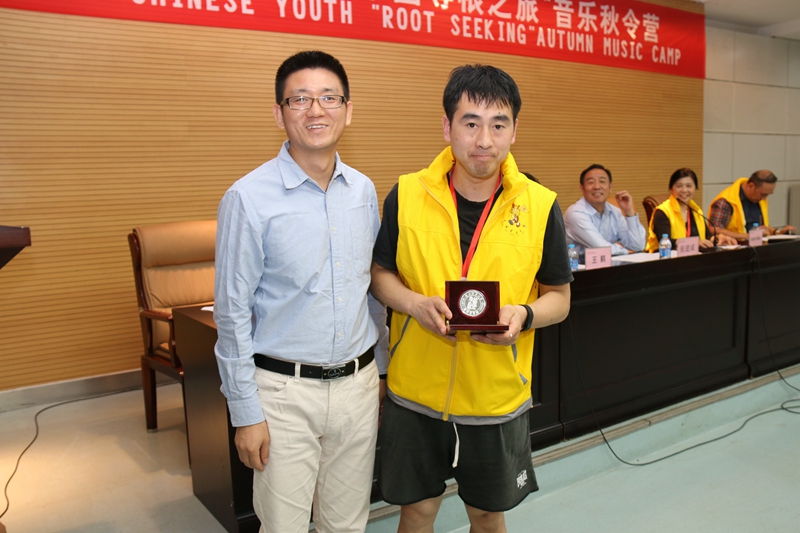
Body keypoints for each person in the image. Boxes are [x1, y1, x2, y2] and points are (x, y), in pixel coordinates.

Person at [370, 64, 573, 533]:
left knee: (486, 515)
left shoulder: (540, 205)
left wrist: (524, 315)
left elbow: (559, 298)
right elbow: (380, 276)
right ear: (447, 127)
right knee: (417, 511)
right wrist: (414, 304)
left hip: (495, 398)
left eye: (498, 125)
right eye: (471, 123)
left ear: (514, 131)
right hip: (415, 393)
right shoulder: (406, 194)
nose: (484, 140)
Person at [213, 51, 388, 533]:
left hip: (356, 387)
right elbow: (231, 314)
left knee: (347, 525)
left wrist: (379, 371)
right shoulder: (248, 198)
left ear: (348, 111)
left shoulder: (363, 191)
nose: (316, 110)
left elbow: (369, 289)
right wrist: (245, 413)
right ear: (279, 113)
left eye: (329, 97)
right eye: (300, 99)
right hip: (282, 396)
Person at [564, 163, 646, 258]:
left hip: (607, 264)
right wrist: (626, 251)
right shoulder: (575, 214)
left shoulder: (615, 212)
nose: (597, 187)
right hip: (578, 266)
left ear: (610, 187)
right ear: (582, 188)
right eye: (591, 182)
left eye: (602, 181)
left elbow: (637, 246)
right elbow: (601, 248)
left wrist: (630, 213)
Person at [646, 167, 737, 252]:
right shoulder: (662, 212)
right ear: (671, 188)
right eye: (679, 186)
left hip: (692, 258)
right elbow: (665, 242)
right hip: (665, 258)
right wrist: (693, 243)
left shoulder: (696, 210)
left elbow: (707, 236)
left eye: (689, 186)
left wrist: (717, 239)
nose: (684, 190)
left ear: (695, 188)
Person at [708, 170, 796, 238]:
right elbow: (714, 230)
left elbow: (760, 226)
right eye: (763, 194)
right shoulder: (725, 202)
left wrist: (777, 232)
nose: (764, 198)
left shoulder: (758, 199)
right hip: (734, 248)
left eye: (767, 195)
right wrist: (749, 236)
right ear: (751, 186)